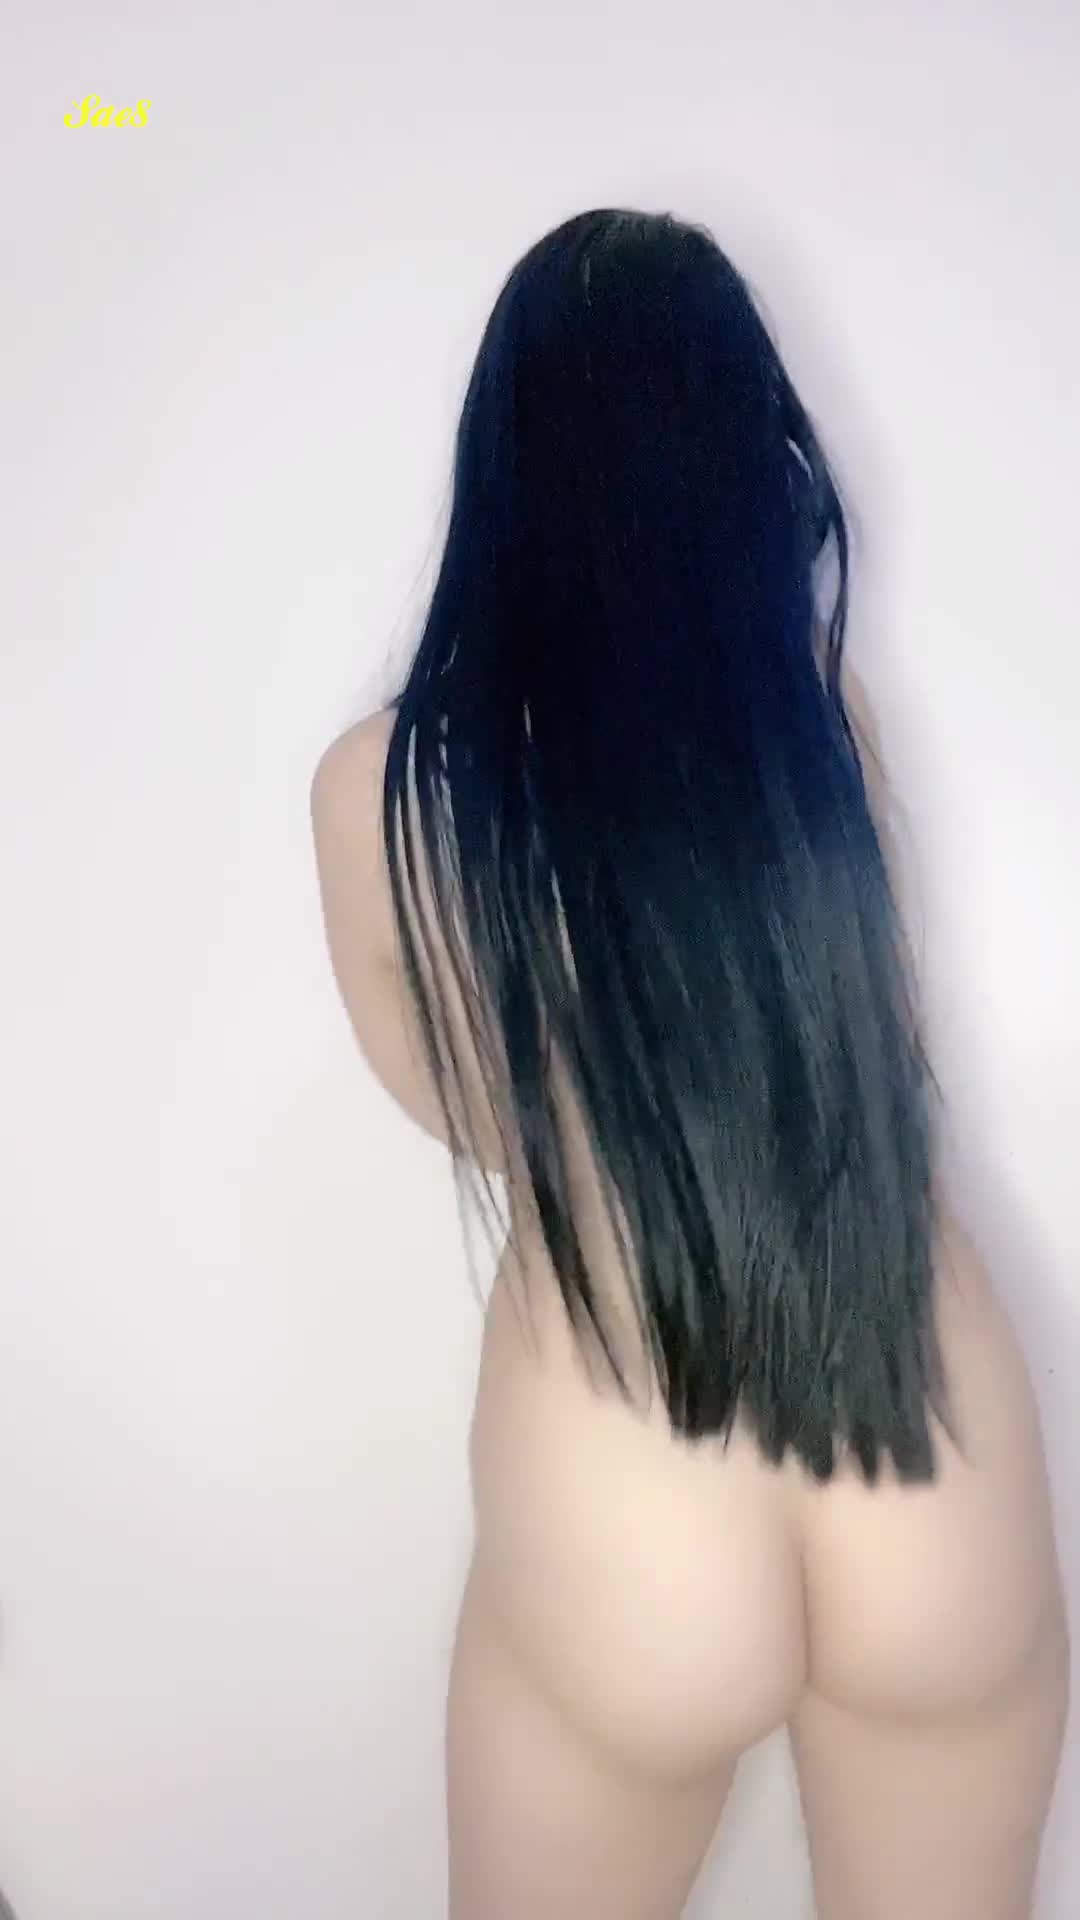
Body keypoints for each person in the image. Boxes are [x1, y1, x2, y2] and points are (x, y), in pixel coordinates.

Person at [310, 209, 1069, 1919]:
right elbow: (871, 1050)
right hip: (929, 1443)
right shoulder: (823, 727)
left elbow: (482, 1121)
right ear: (753, 449)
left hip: (628, 1473)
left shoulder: (385, 790)